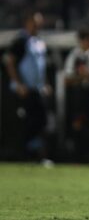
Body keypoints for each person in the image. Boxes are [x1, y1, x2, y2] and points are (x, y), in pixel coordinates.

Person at [4, 11, 52, 161]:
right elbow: (9, 61)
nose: (37, 25)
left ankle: (34, 154)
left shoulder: (38, 41)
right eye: (34, 22)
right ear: (27, 22)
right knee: (25, 123)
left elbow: (41, 66)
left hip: (36, 90)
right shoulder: (21, 40)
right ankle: (24, 155)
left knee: (41, 121)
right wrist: (18, 84)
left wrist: (45, 83)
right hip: (23, 91)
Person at [64, 27, 89, 162]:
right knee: (78, 124)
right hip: (79, 96)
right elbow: (67, 79)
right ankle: (77, 158)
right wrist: (82, 77)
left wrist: (86, 75)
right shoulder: (73, 56)